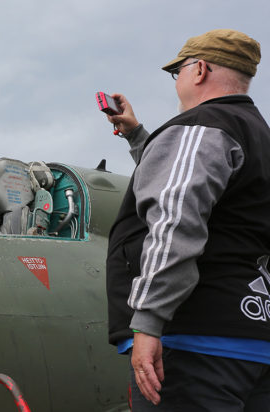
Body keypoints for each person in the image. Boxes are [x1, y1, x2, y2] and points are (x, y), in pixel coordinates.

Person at [105, 29, 270, 410]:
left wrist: (148, 319)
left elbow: (176, 219)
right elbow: (203, 190)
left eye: (176, 71)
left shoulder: (202, 125)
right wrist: (136, 135)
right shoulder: (257, 135)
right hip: (254, 341)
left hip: (193, 339)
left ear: (199, 70)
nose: (176, 80)